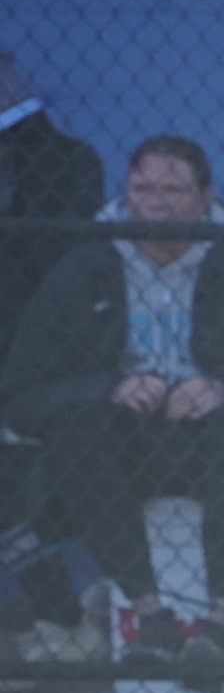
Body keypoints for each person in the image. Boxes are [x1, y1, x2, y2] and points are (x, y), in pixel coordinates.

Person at [0, 135, 224, 676]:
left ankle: (217, 626)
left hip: (219, 441)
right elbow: (21, 393)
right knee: (82, 427)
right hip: (122, 444)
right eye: (142, 187)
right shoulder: (86, 262)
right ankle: (150, 616)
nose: (155, 202)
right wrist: (107, 388)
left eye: (173, 189)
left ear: (206, 196)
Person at [0, 47, 105, 650]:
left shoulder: (58, 162)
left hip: (38, 365)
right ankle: (60, 614)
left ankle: (66, 617)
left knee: (22, 484)